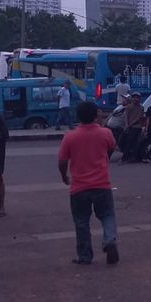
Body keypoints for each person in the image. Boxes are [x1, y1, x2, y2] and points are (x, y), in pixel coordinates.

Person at [57, 101, 119, 265]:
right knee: (107, 215)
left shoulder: (70, 136)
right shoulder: (105, 133)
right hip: (102, 183)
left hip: (79, 186)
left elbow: (62, 161)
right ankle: (109, 240)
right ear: (95, 115)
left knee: (82, 221)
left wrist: (64, 177)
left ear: (78, 117)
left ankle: (85, 256)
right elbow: (111, 148)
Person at [119, 93, 145, 163]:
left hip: (136, 127)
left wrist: (129, 125)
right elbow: (126, 117)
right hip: (129, 127)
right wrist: (127, 125)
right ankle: (129, 157)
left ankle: (125, 158)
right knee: (127, 142)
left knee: (131, 143)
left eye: (137, 97)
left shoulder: (141, 107)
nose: (136, 99)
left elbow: (139, 118)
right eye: (134, 97)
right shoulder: (129, 107)